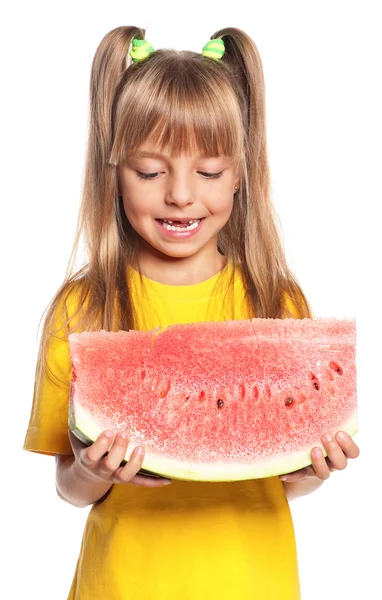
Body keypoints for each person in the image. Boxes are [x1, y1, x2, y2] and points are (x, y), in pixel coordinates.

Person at [23, 25, 360, 600]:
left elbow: (269, 477)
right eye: (150, 172)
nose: (180, 194)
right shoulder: (81, 309)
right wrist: (90, 473)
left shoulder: (278, 305)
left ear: (241, 173)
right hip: (124, 584)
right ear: (113, 171)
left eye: (208, 172)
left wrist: (305, 473)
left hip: (255, 583)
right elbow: (66, 485)